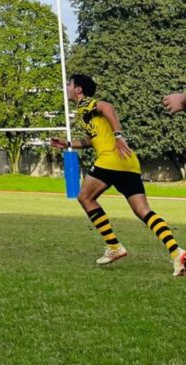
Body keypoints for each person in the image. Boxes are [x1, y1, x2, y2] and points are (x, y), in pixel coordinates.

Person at [51, 74, 186, 274]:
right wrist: (68, 144)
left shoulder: (85, 104)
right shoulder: (84, 113)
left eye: (69, 85)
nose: (67, 88)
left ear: (78, 89)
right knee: (143, 211)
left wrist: (118, 136)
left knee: (85, 197)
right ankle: (178, 253)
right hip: (128, 161)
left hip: (110, 159)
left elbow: (107, 107)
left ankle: (114, 247)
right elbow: (91, 141)